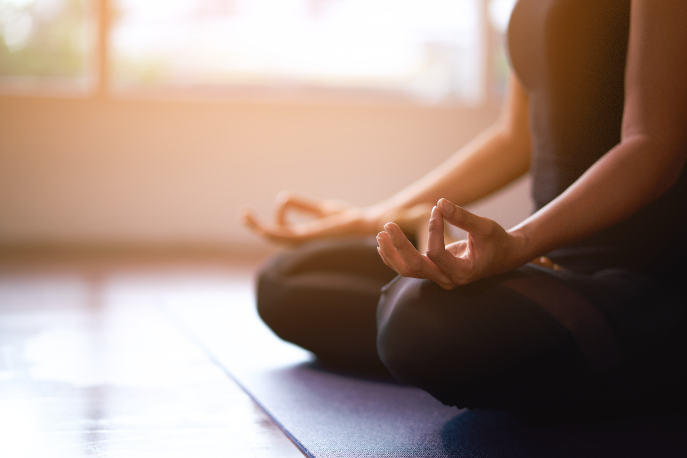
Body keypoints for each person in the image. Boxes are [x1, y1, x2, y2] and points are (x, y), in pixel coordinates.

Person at [240, 0, 687, 419]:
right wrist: (379, 216)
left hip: (636, 278)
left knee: (420, 319)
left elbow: (652, 145)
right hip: (542, 263)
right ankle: (517, 350)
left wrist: (519, 243)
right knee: (287, 282)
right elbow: (515, 137)